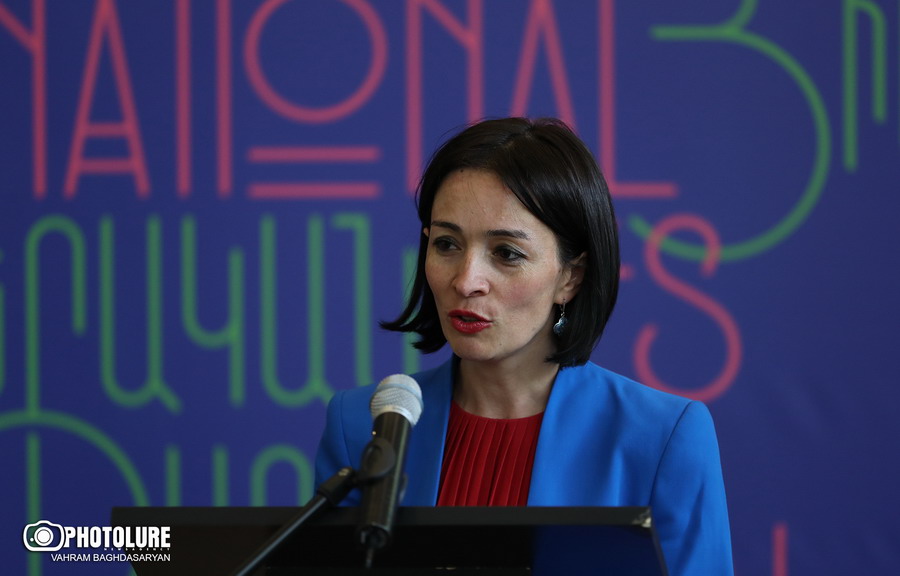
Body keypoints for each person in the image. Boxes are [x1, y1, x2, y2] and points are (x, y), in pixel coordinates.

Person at [315, 117, 733, 575]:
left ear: (570, 277)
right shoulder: (361, 425)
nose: (467, 281)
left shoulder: (662, 437)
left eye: (506, 253)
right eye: (447, 244)